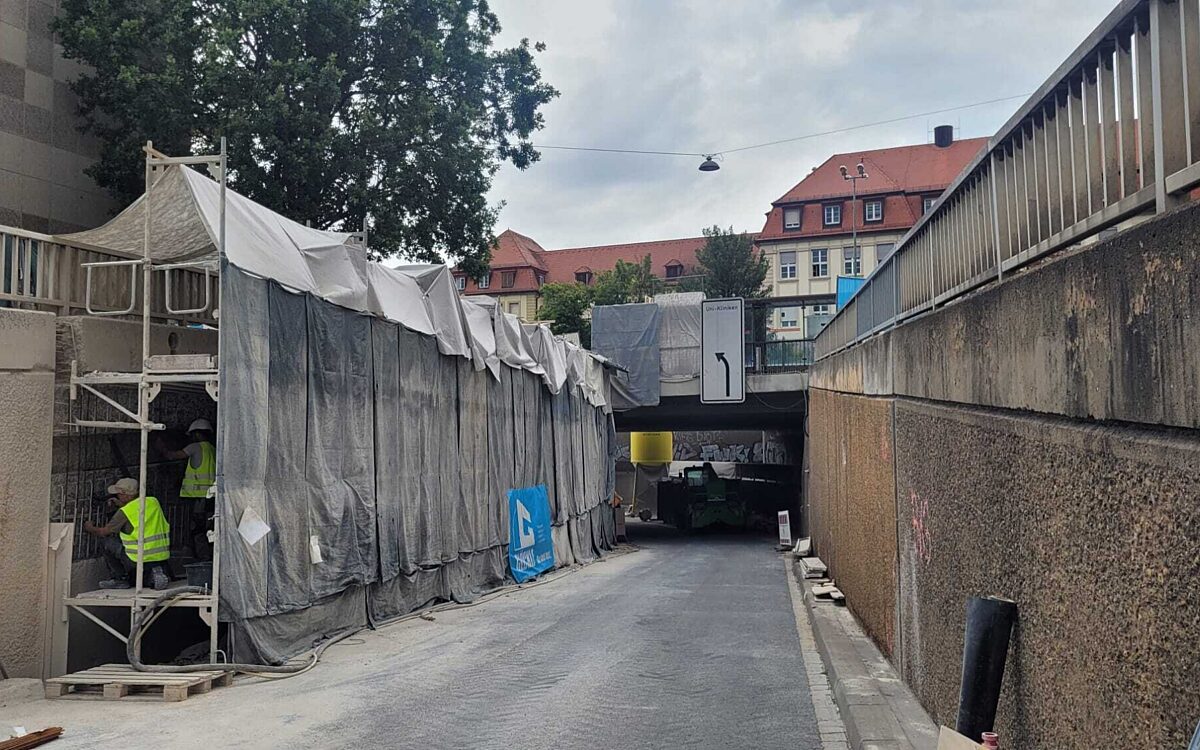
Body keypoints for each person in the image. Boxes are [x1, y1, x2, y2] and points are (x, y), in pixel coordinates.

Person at [83, 478, 171, 590]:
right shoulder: (153, 502)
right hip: (160, 556)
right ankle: (155, 572)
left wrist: (89, 527)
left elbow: (103, 532)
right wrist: (122, 504)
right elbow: (139, 510)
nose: (117, 496)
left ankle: (120, 579)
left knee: (106, 542)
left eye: (119, 494)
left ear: (126, 496)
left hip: (137, 558)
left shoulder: (124, 512)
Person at [156, 418, 216, 560]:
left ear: (197, 434)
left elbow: (173, 456)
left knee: (197, 528)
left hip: (197, 497)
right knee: (207, 527)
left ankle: (201, 557)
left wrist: (161, 447)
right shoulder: (213, 449)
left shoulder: (195, 447)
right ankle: (205, 556)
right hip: (210, 497)